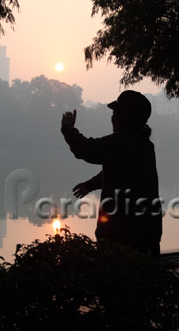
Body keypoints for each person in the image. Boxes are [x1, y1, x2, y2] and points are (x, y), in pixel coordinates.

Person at [61, 90, 162, 257]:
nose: (112, 117)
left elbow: (86, 149)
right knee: (146, 279)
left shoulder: (120, 142)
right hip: (148, 231)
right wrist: (90, 185)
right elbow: (120, 171)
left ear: (124, 118)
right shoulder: (144, 145)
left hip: (121, 235)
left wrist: (68, 128)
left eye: (115, 113)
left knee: (118, 279)